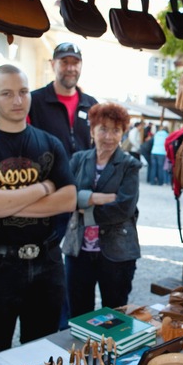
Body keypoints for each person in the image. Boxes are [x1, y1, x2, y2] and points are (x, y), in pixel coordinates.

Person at [0, 64, 76, 357]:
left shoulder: (50, 143)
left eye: (23, 92)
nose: (18, 101)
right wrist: (43, 188)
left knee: (41, 354)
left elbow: (69, 200)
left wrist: (2, 198)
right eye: (7, 93)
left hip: (47, 263)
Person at [28, 42, 98, 329]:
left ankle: (73, 324)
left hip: (81, 198)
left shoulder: (90, 104)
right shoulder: (35, 100)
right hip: (49, 197)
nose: (70, 67)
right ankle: (56, 324)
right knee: (50, 261)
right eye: (64, 62)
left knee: (78, 264)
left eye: (75, 62)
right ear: (53, 64)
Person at [62, 102, 141, 317]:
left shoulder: (130, 165)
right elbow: (65, 197)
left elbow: (124, 208)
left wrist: (82, 206)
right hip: (79, 250)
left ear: (123, 133)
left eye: (116, 130)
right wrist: (96, 198)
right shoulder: (78, 160)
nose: (109, 136)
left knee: (113, 315)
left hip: (117, 252)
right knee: (78, 314)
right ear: (92, 130)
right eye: (103, 129)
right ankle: (79, 352)